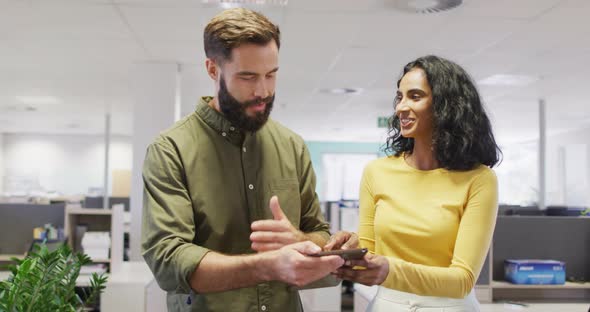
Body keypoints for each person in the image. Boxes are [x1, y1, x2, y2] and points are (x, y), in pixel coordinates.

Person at [141, 8, 343, 312]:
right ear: (213, 69)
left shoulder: (292, 146)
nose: (263, 91)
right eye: (248, 76)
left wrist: (301, 240)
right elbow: (169, 259)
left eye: (271, 75)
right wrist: (268, 266)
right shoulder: (171, 149)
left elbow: (318, 232)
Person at [325, 55, 501, 311]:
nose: (400, 107)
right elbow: (369, 253)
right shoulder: (377, 172)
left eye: (415, 96)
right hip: (388, 304)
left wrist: (390, 270)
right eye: (400, 97)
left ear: (446, 106)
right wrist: (350, 245)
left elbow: (463, 279)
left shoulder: (479, 179)